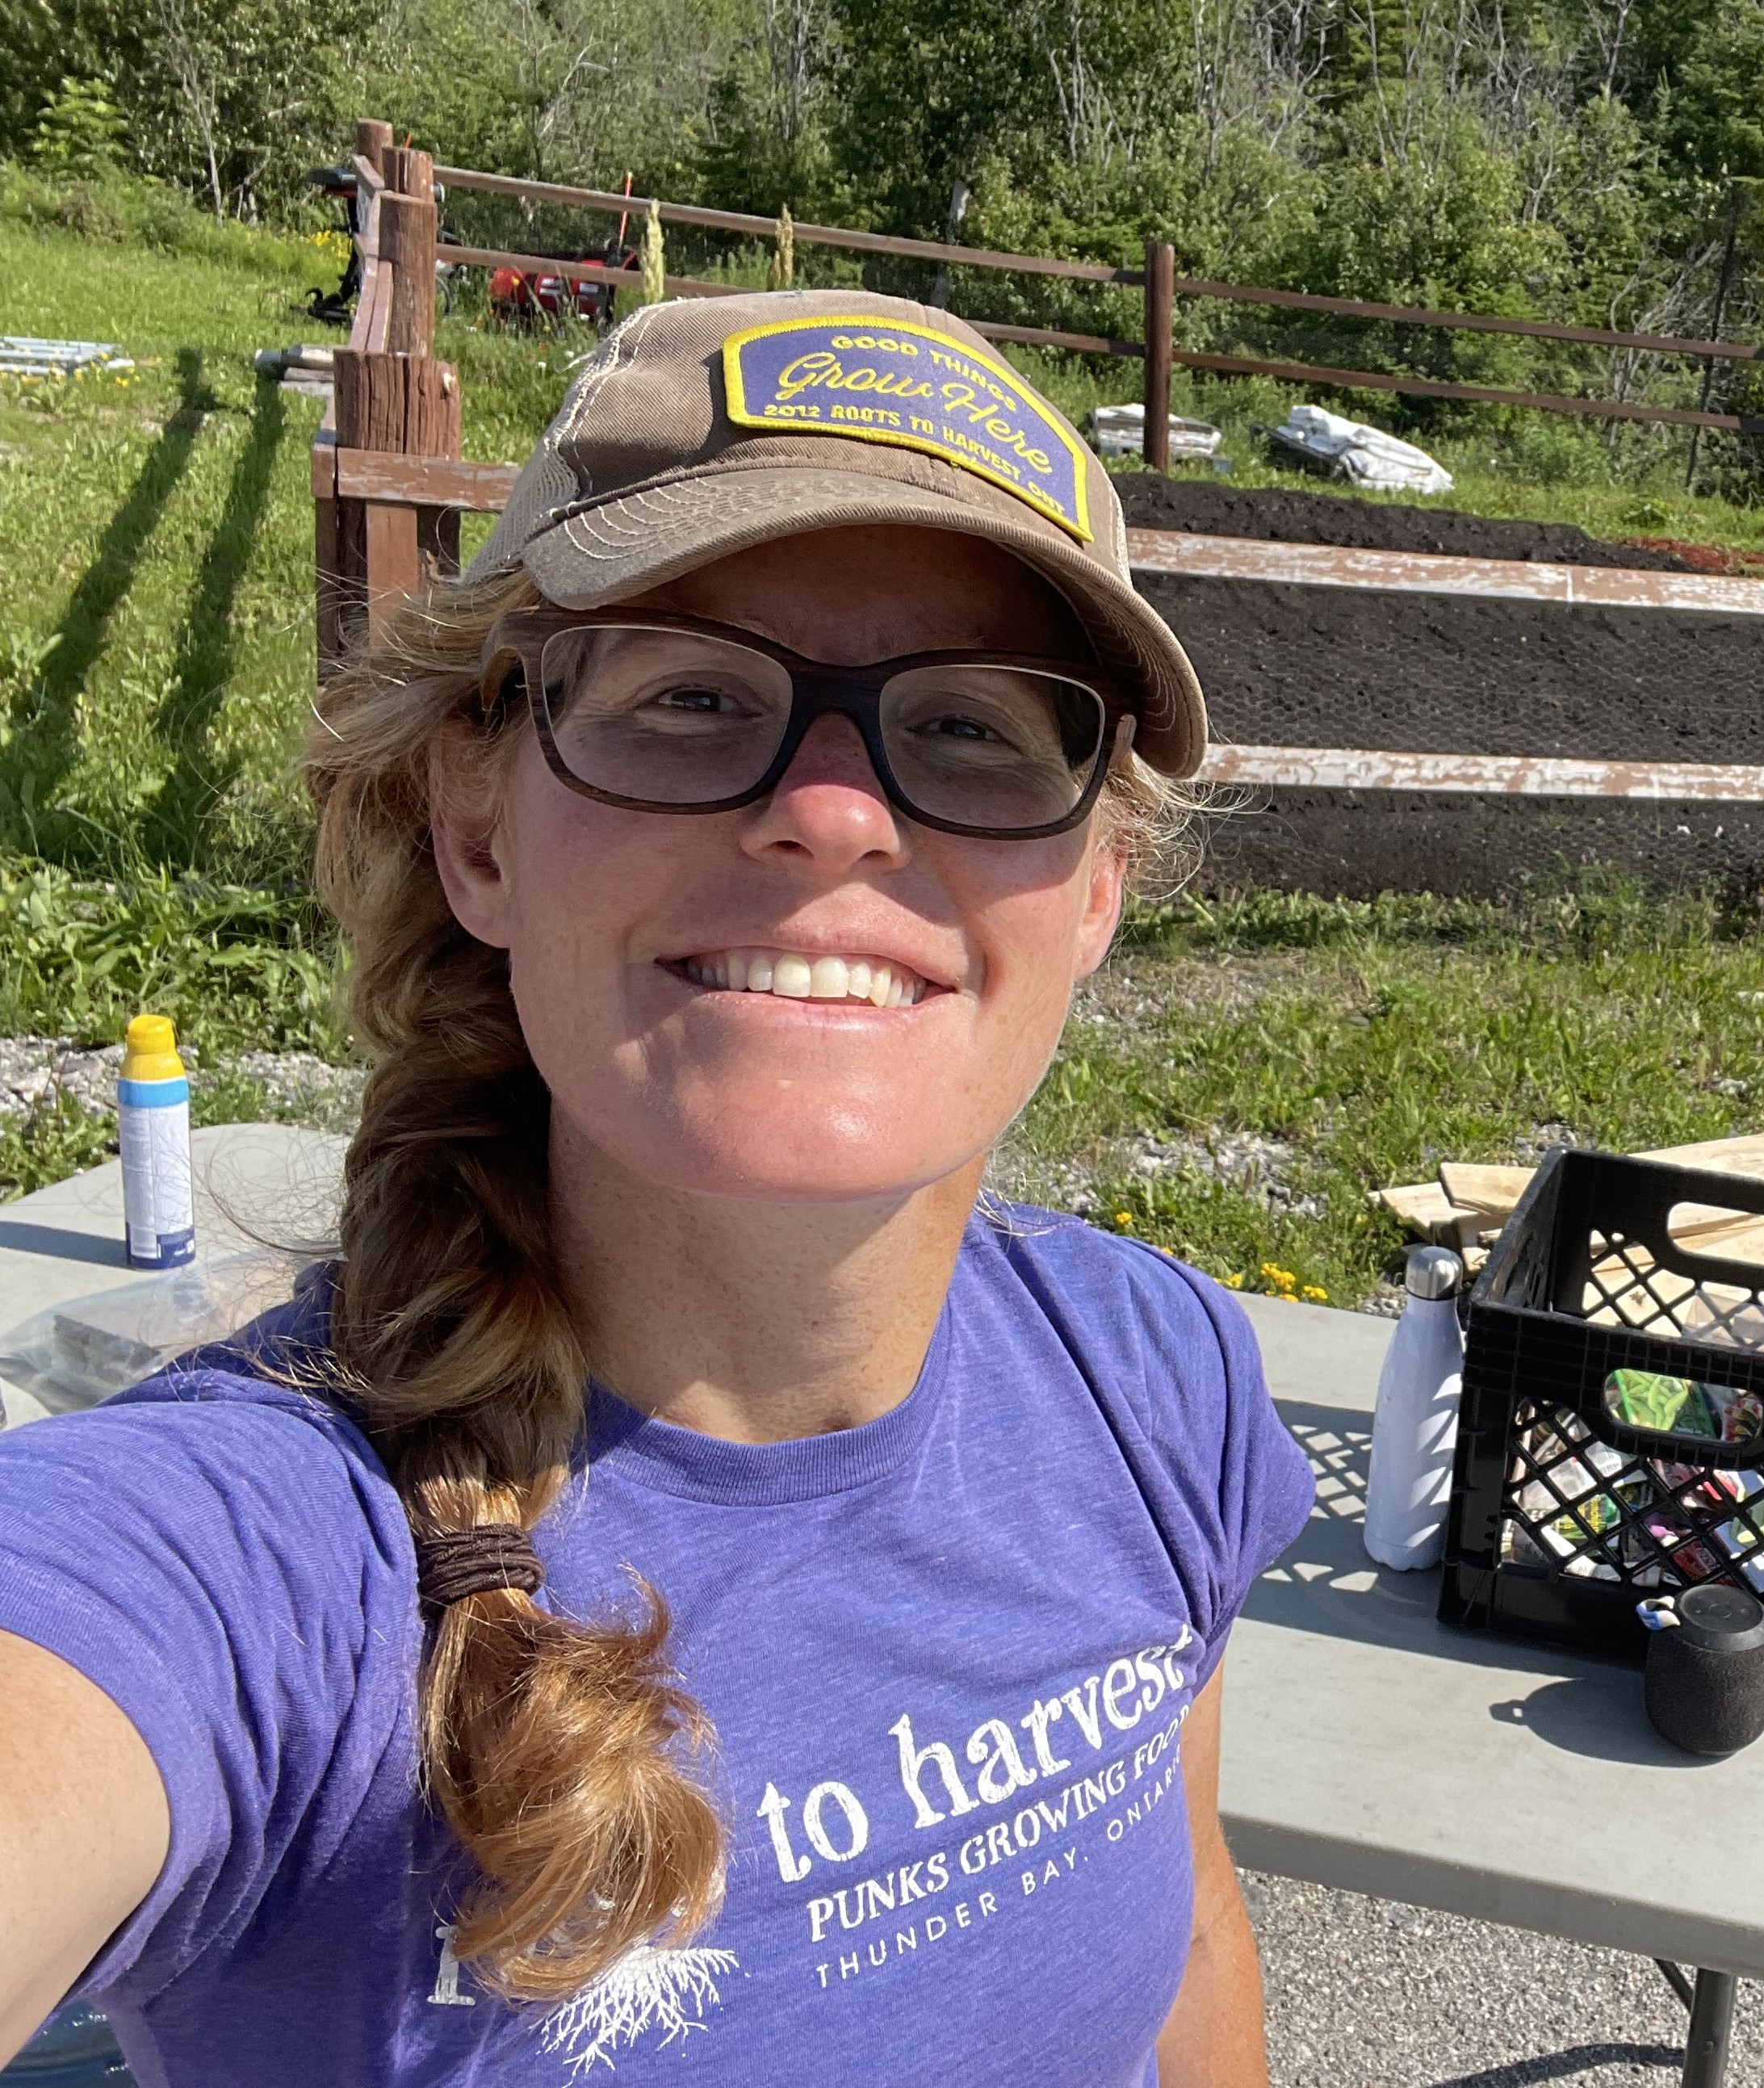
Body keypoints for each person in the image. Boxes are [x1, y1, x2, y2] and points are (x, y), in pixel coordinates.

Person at [0, 290, 1314, 2085]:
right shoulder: (248, 1561)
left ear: (1093, 893)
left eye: (977, 730)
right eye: (693, 697)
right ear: (477, 827)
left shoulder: (1149, 1378)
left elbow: (1192, 1945)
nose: (838, 814)